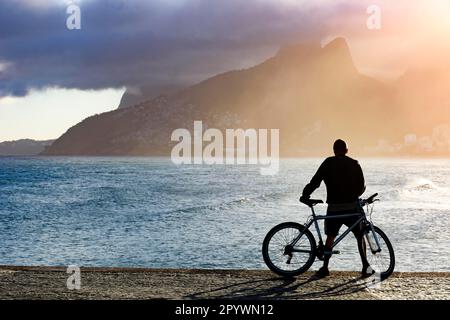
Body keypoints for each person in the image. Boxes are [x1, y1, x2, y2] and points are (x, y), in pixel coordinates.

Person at [300, 139, 373, 278]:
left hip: (334, 207)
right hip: (352, 207)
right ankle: (366, 266)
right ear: (346, 150)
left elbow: (315, 182)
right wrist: (355, 195)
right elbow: (361, 187)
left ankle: (325, 267)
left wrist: (305, 194)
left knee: (330, 236)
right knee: (360, 236)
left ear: (334, 151)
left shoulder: (328, 162)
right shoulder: (354, 163)